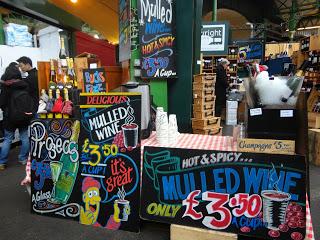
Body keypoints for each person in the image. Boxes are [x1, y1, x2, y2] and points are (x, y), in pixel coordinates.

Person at [0, 63, 31, 169]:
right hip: (23, 116)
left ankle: (2, 162)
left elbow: (2, 103)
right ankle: (22, 158)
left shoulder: (4, 87)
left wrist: (7, 110)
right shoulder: (23, 85)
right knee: (24, 137)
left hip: (9, 117)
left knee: (8, 139)